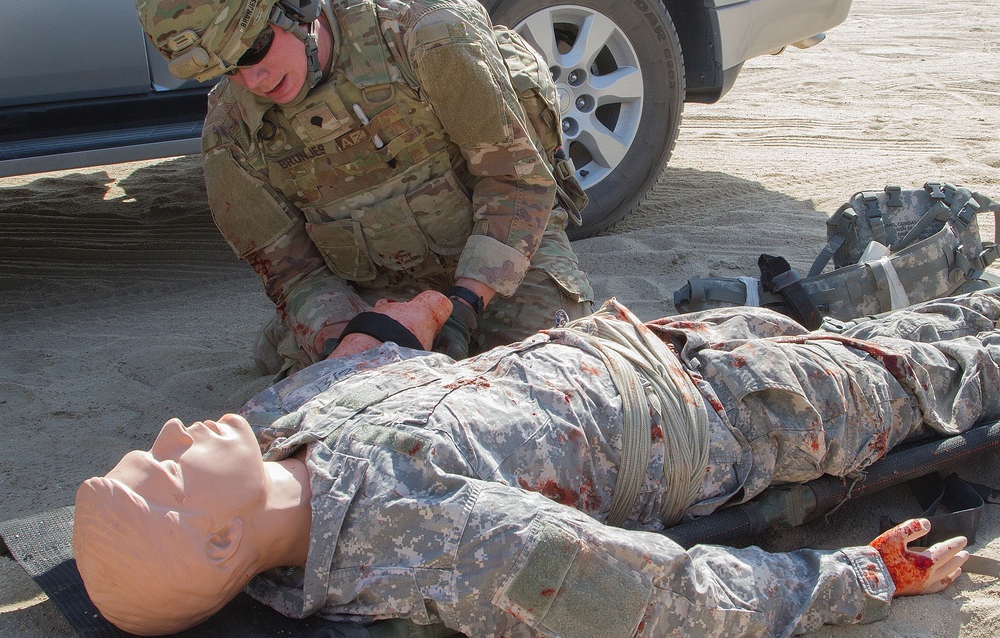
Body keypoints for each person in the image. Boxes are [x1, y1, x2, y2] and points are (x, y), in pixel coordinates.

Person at [74, 291, 1000, 637]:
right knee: (949, 373)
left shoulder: (272, 432)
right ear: (221, 538)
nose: (169, 431)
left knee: (910, 334)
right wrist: (858, 576)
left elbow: (379, 366)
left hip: (655, 342)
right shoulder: (434, 539)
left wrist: (410, 317)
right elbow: (665, 597)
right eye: (168, 471)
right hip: (743, 414)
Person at [130, 0, 594, 374]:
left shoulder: (424, 33)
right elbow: (293, 272)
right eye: (229, 68)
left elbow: (516, 181)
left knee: (545, 365)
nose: (252, 78)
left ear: (295, 1)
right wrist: (349, 337)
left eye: (253, 48)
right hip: (371, 289)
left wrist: (462, 308)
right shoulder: (232, 133)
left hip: (497, 255)